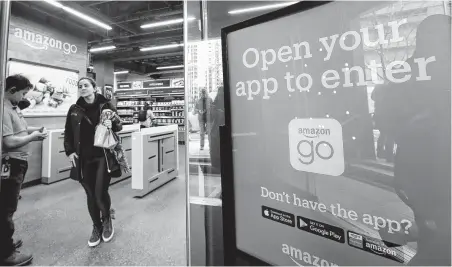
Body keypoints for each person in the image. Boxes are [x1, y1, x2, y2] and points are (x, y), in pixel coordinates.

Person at [64, 77, 122, 247]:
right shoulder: (74, 109)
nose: (83, 88)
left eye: (86, 85)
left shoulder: (106, 105)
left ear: (94, 88)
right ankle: (96, 226)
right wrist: (69, 151)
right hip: (83, 158)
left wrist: (113, 123)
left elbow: (119, 126)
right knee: (90, 194)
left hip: (103, 156)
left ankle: (107, 221)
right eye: (80, 86)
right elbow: (68, 131)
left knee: (99, 192)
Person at [0, 74, 48, 265]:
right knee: (6, 209)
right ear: (12, 91)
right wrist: (33, 137)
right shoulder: (4, 110)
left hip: (18, 162)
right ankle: (6, 253)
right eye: (22, 93)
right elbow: (9, 141)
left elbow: (17, 131)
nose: (23, 98)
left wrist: (34, 130)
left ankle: (5, 242)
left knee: (7, 207)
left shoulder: (12, 108)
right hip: (10, 163)